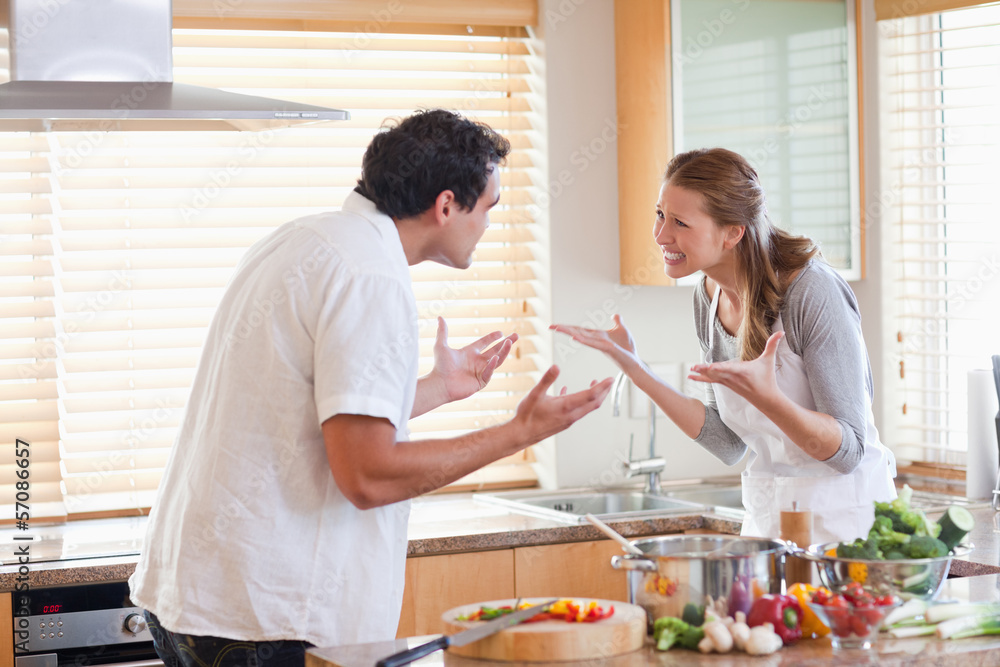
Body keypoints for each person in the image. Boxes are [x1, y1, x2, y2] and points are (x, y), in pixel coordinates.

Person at [129, 109, 613, 665]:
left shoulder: (303, 240)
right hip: (268, 617)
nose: (488, 225)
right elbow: (367, 476)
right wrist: (519, 433)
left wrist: (435, 388)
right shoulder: (372, 276)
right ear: (447, 204)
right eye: (489, 208)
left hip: (197, 602)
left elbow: (302, 410)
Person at [551, 147, 896, 544]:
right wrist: (636, 369)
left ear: (733, 232)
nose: (661, 235)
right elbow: (728, 442)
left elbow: (847, 451)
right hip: (770, 525)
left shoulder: (811, 292)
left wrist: (771, 400)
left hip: (846, 530)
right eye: (660, 214)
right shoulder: (708, 296)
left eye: (680, 222)